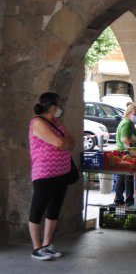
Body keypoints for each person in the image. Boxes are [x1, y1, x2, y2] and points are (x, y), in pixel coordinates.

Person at [28, 92, 75, 260]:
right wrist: (65, 143)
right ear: (53, 107)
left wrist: (66, 143)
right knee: (37, 210)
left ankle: (47, 245)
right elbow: (61, 142)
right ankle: (36, 247)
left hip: (61, 172)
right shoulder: (38, 123)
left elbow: (72, 140)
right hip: (44, 173)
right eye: (58, 106)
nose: (60, 109)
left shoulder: (56, 122)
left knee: (54, 209)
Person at [113, 104, 136, 206]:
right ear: (129, 114)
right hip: (125, 153)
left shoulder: (125, 122)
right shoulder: (127, 124)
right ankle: (128, 201)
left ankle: (119, 200)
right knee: (129, 178)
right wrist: (132, 151)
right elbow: (124, 139)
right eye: (135, 114)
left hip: (122, 153)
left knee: (122, 177)